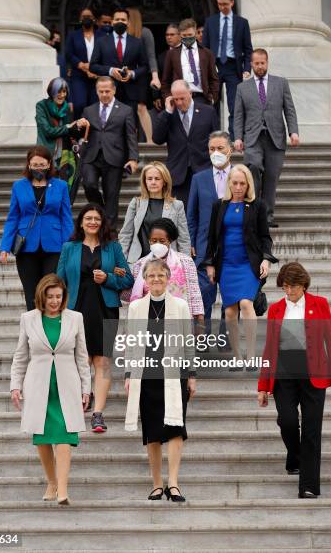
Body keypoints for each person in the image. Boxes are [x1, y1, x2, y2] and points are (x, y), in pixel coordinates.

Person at [258, 262, 331, 498]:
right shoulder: (276, 309)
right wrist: (263, 385)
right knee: (287, 421)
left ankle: (308, 485)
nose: (289, 292)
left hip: (314, 375)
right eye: (285, 287)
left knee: (311, 430)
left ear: (304, 285)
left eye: (293, 287)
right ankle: (295, 457)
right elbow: (269, 349)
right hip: (284, 375)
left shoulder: (320, 304)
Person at [10, 274, 91, 505]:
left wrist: (87, 388)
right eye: (50, 297)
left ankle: (63, 490)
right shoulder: (28, 319)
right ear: (41, 297)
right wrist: (15, 385)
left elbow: (82, 357)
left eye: (59, 296)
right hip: (38, 385)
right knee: (43, 437)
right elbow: (20, 356)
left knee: (65, 435)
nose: (55, 301)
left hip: (67, 385)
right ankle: (52, 482)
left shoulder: (75, 318)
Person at [57, 204, 133, 433]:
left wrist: (109, 278)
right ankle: (81, 400)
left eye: (96, 218)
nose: (92, 222)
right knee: (81, 360)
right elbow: (59, 281)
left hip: (106, 309)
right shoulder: (69, 248)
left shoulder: (113, 248)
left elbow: (128, 279)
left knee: (103, 361)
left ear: (102, 223)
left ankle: (98, 414)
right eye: (88, 218)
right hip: (75, 308)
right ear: (81, 223)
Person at [124, 259, 196, 501]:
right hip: (146, 377)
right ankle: (157, 483)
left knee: (176, 429)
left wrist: (192, 375)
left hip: (175, 376)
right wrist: (128, 375)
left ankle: (173, 483)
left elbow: (188, 343)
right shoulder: (135, 308)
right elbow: (131, 344)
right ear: (145, 280)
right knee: (152, 432)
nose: (156, 279)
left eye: (161, 275)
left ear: (168, 278)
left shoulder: (181, 306)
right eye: (151, 276)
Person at [204, 164, 277, 369]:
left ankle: (252, 355)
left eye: (242, 183)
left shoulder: (257, 205)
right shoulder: (219, 206)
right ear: (229, 183)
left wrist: (266, 259)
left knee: (246, 303)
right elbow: (211, 239)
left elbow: (265, 237)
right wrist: (210, 264)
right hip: (226, 265)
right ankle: (237, 356)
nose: (238, 187)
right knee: (229, 312)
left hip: (249, 264)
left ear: (248, 185)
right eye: (234, 183)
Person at [0, 146, 74, 311]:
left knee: (52, 291)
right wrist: (5, 246)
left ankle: (51, 329)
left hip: (54, 246)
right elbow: (13, 217)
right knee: (31, 294)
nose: (38, 168)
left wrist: (70, 245)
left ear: (49, 165)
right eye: (34, 165)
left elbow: (66, 217)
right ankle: (34, 334)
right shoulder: (19, 186)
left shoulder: (60, 186)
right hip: (26, 245)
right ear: (28, 165)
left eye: (42, 164)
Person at [234, 48, 299, 227]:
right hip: (253, 138)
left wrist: (294, 131)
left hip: (275, 138)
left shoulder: (281, 83)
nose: (260, 66)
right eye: (257, 63)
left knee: (271, 178)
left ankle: (267, 217)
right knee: (253, 169)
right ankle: (253, 213)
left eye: (263, 63)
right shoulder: (242, 87)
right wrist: (238, 137)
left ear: (267, 63)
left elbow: (289, 109)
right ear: (252, 64)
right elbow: (239, 115)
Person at [80, 76, 139, 230]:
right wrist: (78, 126)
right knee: (89, 185)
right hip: (91, 156)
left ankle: (110, 234)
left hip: (114, 157)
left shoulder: (126, 110)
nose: (104, 94)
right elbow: (81, 134)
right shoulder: (88, 110)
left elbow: (131, 136)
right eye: (101, 91)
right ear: (96, 91)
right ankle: (101, 211)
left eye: (107, 91)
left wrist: (133, 158)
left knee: (112, 196)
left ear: (114, 90)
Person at [187, 131, 232, 325]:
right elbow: (192, 215)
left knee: (230, 299)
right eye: (212, 149)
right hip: (205, 248)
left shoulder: (240, 176)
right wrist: (191, 241)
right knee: (204, 295)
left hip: (232, 246)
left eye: (220, 148)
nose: (216, 152)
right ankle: (201, 338)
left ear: (229, 150)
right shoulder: (199, 178)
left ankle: (225, 338)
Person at [153, 79, 219, 209]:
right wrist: (167, 112)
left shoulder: (208, 111)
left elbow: (216, 139)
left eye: (182, 98)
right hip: (178, 173)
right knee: (181, 214)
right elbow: (157, 139)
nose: (179, 102)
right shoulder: (168, 115)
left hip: (203, 168)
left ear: (190, 93)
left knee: (204, 211)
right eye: (176, 99)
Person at [203, 0, 253, 140]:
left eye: (225, 4)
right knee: (212, 103)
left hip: (233, 67)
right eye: (219, 4)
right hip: (214, 66)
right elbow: (204, 47)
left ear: (232, 2)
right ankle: (214, 135)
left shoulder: (242, 23)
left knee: (234, 104)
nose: (222, 7)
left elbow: (248, 49)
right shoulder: (210, 22)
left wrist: (247, 68)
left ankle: (235, 136)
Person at [130, 218, 204, 321]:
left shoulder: (185, 261)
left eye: (162, 241)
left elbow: (195, 293)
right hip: (149, 316)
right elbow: (136, 294)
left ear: (170, 241)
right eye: (154, 241)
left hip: (179, 317)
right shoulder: (140, 264)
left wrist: (200, 321)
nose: (158, 244)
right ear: (149, 241)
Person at [119, 161, 191, 265]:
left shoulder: (177, 205)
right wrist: (120, 262)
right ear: (145, 181)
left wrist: (186, 264)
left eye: (157, 179)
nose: (153, 182)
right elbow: (126, 235)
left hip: (168, 264)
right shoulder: (136, 203)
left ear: (164, 181)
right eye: (149, 179)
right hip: (138, 262)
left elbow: (183, 239)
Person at [90, 8, 148, 117]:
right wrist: (110, 71)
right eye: (117, 19)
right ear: (112, 22)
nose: (120, 22)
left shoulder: (137, 42)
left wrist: (132, 73)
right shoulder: (101, 42)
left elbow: (145, 66)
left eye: (123, 19)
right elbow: (93, 66)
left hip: (131, 93)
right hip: (108, 92)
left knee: (130, 127)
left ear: (128, 23)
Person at [161, 18, 219, 106]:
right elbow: (165, 80)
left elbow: (213, 78)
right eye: (184, 35)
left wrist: (212, 98)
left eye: (190, 34)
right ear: (180, 35)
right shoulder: (172, 54)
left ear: (195, 33)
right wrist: (168, 98)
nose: (187, 37)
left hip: (202, 98)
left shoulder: (207, 53)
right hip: (179, 98)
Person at [35, 77, 85, 169]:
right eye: (58, 92)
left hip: (64, 154)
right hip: (45, 151)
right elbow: (48, 131)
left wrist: (78, 125)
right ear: (52, 92)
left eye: (64, 92)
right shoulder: (42, 106)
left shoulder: (67, 108)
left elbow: (70, 132)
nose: (62, 95)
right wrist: (68, 127)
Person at [127, 7, 161, 143]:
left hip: (140, 75)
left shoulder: (145, 33)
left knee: (141, 107)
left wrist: (155, 76)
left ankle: (150, 140)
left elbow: (151, 56)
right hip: (125, 76)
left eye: (127, 18)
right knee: (127, 110)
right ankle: (130, 141)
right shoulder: (122, 34)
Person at [65, 7, 100, 118]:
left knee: (95, 106)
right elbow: (69, 54)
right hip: (79, 75)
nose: (86, 19)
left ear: (94, 19)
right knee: (80, 104)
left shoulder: (102, 35)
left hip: (97, 76)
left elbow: (105, 52)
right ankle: (79, 132)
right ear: (80, 19)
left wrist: (93, 68)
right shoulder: (73, 35)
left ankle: (93, 133)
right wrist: (82, 65)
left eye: (89, 16)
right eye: (84, 17)